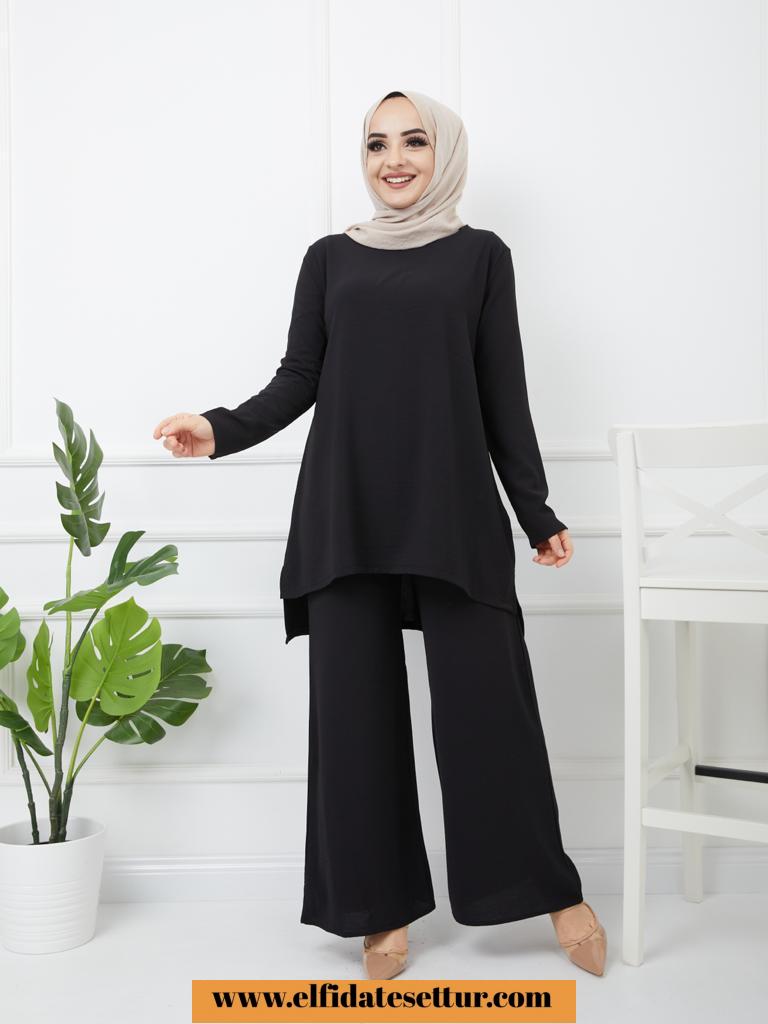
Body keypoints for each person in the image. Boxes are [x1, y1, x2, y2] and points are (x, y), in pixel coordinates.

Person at [153, 88, 607, 980]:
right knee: (353, 722)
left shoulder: (481, 256)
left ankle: (553, 891)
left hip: (451, 508)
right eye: (376, 145)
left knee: (491, 715)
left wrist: (536, 509)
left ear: (445, 153)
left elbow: (502, 391)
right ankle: (378, 906)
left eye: (413, 142)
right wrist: (219, 427)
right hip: (345, 509)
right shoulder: (329, 259)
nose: (393, 159)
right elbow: (300, 376)